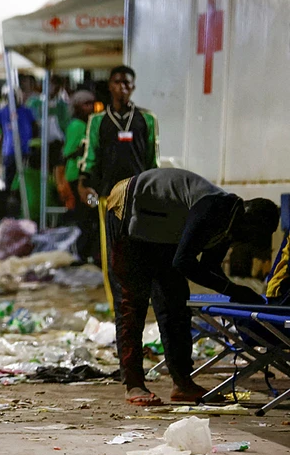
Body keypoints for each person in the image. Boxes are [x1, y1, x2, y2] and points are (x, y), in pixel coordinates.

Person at [104, 168, 278, 406]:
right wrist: (233, 290)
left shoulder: (230, 224)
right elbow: (183, 262)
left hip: (161, 230)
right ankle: (134, 384)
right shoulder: (215, 208)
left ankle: (182, 383)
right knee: (132, 302)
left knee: (175, 304)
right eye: (248, 237)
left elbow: (209, 266)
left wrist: (236, 291)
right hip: (128, 208)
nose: (241, 244)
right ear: (247, 220)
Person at [79, 66, 159, 206]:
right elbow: (90, 156)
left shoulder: (148, 119)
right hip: (106, 193)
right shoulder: (97, 120)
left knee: (136, 228)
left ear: (133, 86)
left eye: (126, 82)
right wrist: (83, 184)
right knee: (108, 228)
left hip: (137, 193)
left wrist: (154, 188)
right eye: (117, 82)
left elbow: (152, 158)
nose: (122, 86)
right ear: (110, 86)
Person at [60, 90, 97, 261]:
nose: (90, 107)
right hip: (76, 177)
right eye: (86, 104)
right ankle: (82, 253)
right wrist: (83, 150)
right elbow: (67, 152)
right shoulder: (77, 125)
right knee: (86, 215)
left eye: (91, 103)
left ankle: (86, 252)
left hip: (83, 176)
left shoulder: (88, 124)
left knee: (89, 215)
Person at [0, 90, 37, 189]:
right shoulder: (2, 111)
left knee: (24, 176)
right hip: (9, 150)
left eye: (15, 97)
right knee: (9, 178)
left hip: (25, 148)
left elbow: (35, 126)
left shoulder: (27, 111)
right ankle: (9, 198)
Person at [26, 74, 70, 143]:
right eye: (52, 85)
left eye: (57, 86)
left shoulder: (61, 105)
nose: (54, 88)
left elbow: (65, 122)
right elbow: (31, 121)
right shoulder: (34, 102)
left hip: (57, 141)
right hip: (38, 140)